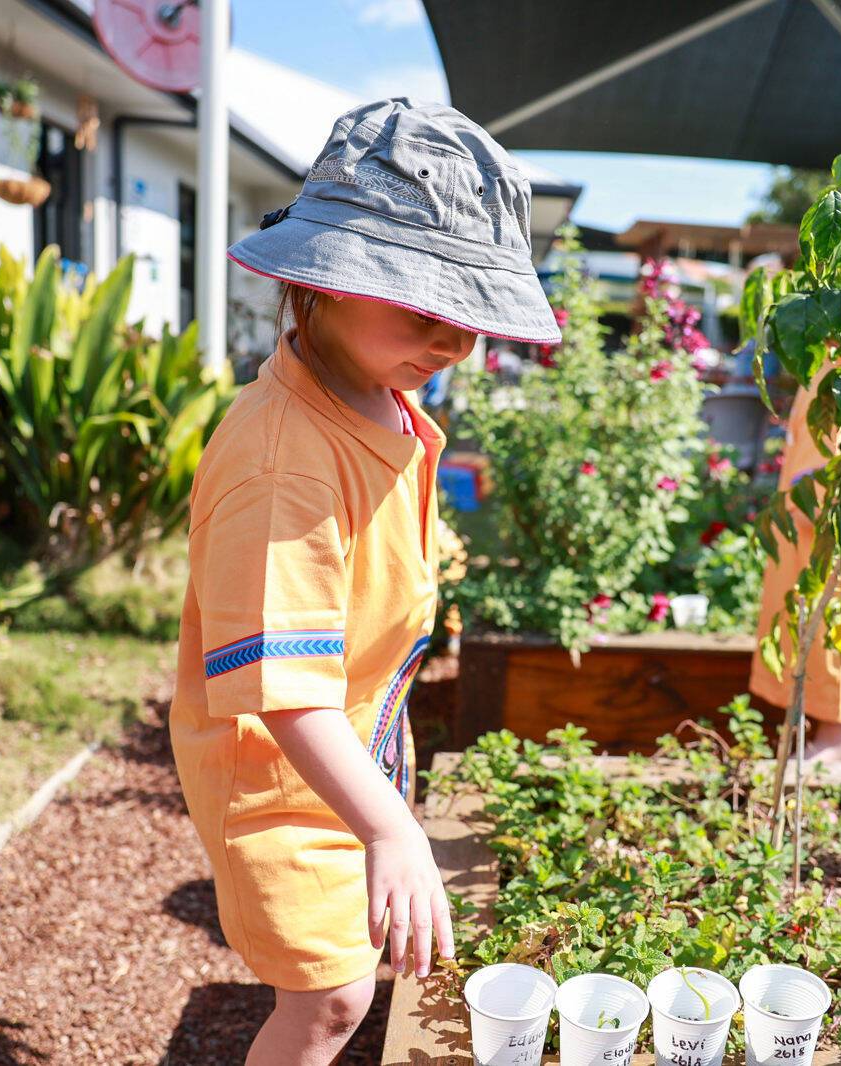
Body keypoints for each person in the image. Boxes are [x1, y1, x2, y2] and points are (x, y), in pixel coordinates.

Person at [169, 99, 560, 1065]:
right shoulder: (280, 463)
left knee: (345, 982)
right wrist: (394, 829)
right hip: (277, 773)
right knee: (331, 1001)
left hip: (347, 757)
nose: (451, 342)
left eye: (469, 322)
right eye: (422, 309)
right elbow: (285, 693)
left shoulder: (379, 396)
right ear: (327, 280)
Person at [748, 368, 841, 762]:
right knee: (817, 625)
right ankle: (829, 735)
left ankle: (838, 743)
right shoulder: (832, 359)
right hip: (816, 535)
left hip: (837, 541)